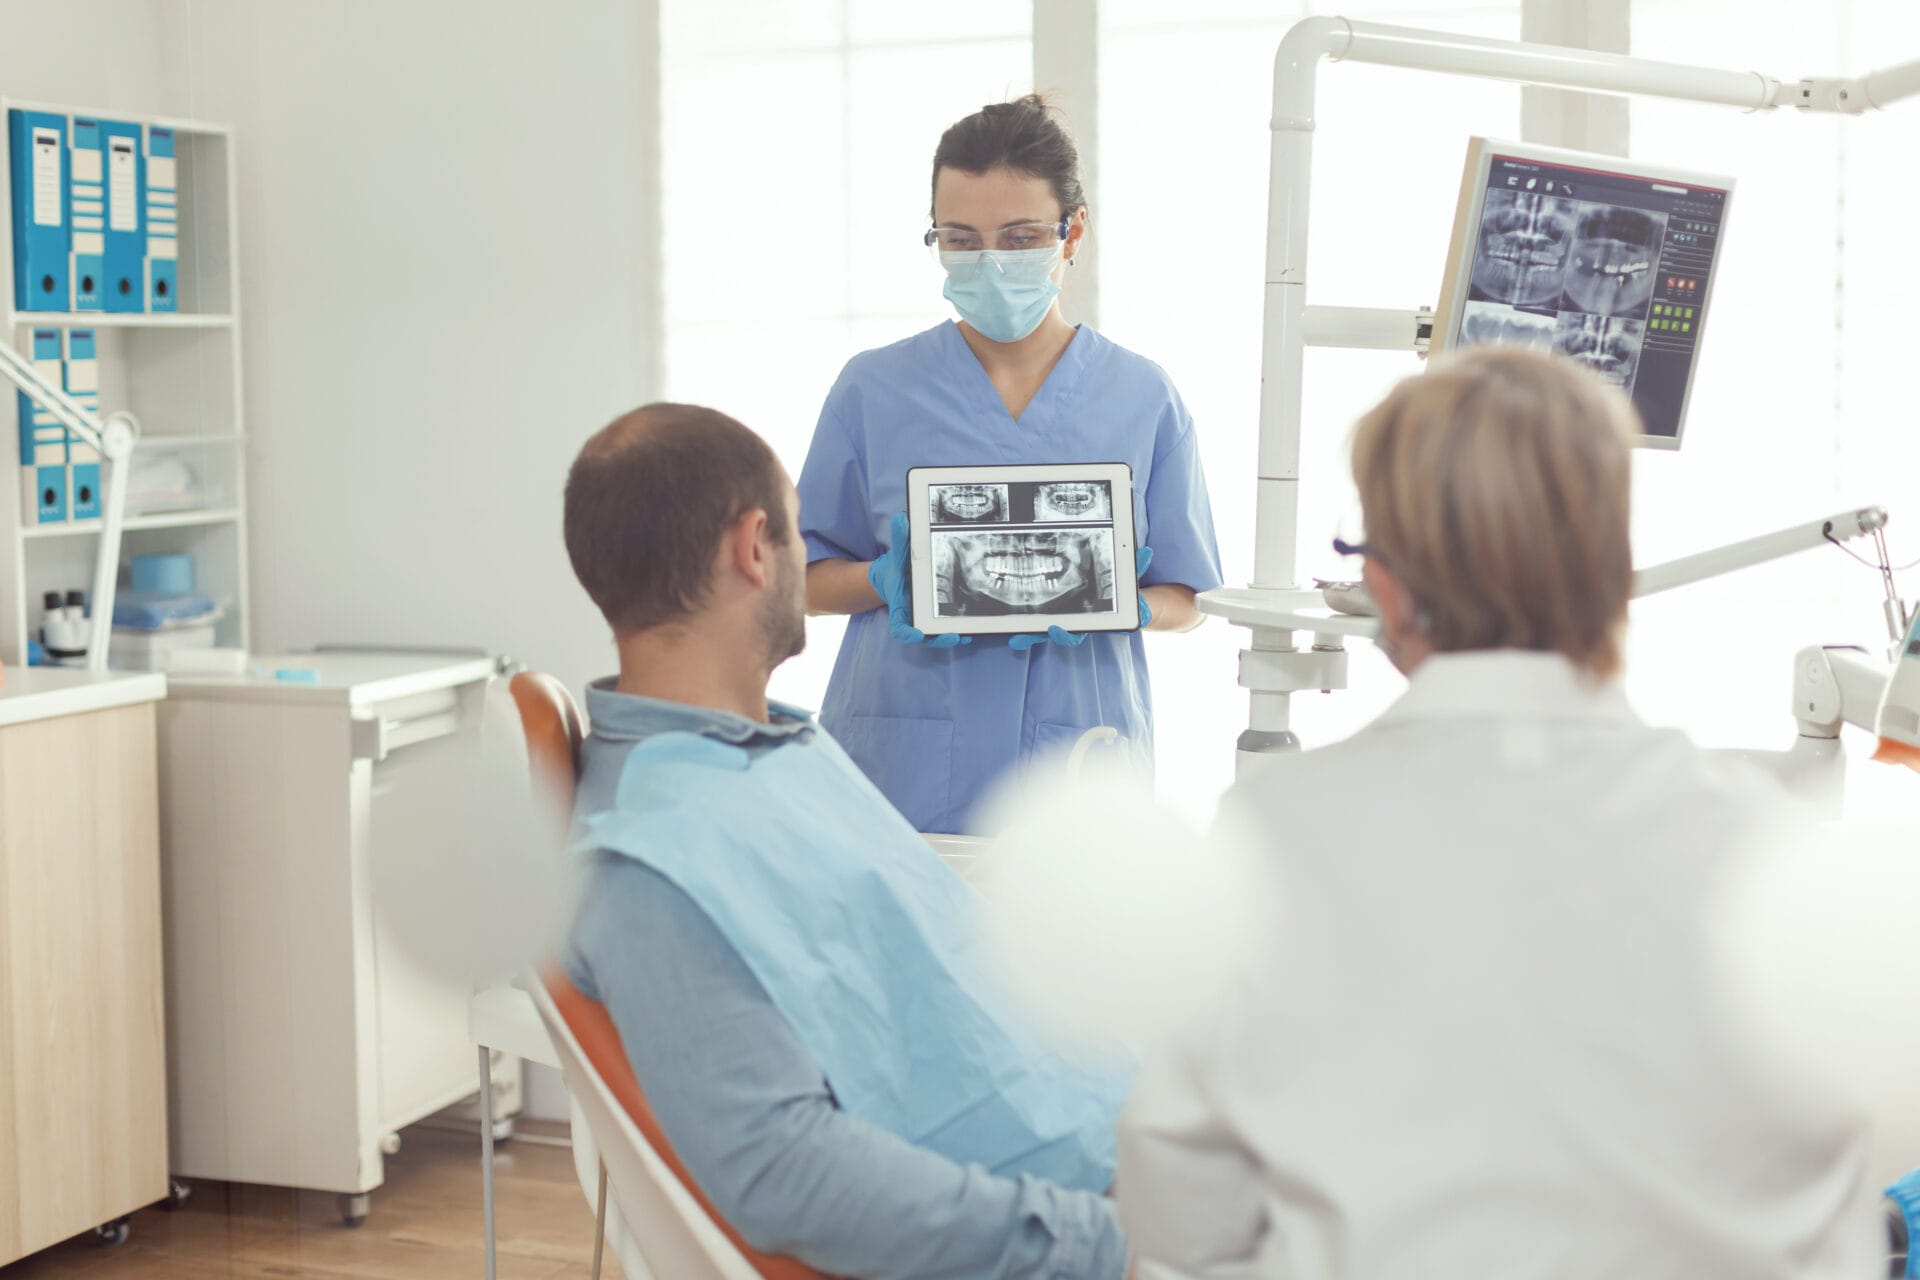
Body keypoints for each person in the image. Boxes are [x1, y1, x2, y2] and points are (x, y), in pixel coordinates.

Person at [1114, 349, 1885, 1280]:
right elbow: (1837, 1228)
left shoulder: (1274, 833)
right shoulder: (1760, 845)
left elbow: (1180, 1217)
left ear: (1388, 589)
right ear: (1612, 575)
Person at [559, 403, 1132, 1280]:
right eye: (795, 532)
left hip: (1117, 1114)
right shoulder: (650, 862)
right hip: (1090, 1206)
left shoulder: (771, 742)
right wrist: (1107, 1246)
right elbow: (788, 1174)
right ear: (754, 547)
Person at [799, 95, 1224, 835]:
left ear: (1073, 233)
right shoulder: (872, 390)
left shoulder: (1143, 396)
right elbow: (797, 581)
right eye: (961, 239)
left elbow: (1189, 597)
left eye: (1020, 237)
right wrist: (879, 581)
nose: (990, 264)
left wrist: (1121, 599)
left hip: (1079, 770)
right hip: (902, 767)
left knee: (1069, 944)